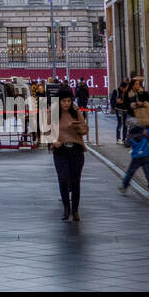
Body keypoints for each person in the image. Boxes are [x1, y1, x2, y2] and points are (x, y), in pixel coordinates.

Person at [50, 87, 89, 220]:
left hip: (76, 150)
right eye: (64, 101)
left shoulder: (75, 112)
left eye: (69, 101)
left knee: (75, 180)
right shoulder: (53, 113)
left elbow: (85, 129)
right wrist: (53, 141)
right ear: (58, 101)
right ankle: (66, 208)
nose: (67, 103)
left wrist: (77, 127)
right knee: (63, 179)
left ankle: (75, 210)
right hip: (60, 150)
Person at [120, 121, 149, 196]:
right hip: (146, 156)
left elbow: (127, 145)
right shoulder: (144, 134)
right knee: (148, 173)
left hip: (136, 157)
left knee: (130, 172)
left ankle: (124, 187)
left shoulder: (131, 135)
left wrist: (127, 139)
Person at [112, 80, 130, 144]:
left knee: (125, 125)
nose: (125, 89)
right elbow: (112, 101)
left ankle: (124, 138)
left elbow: (128, 101)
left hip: (125, 110)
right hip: (119, 109)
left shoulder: (126, 92)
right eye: (125, 88)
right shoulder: (116, 91)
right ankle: (118, 139)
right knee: (120, 123)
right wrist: (116, 102)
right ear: (121, 87)